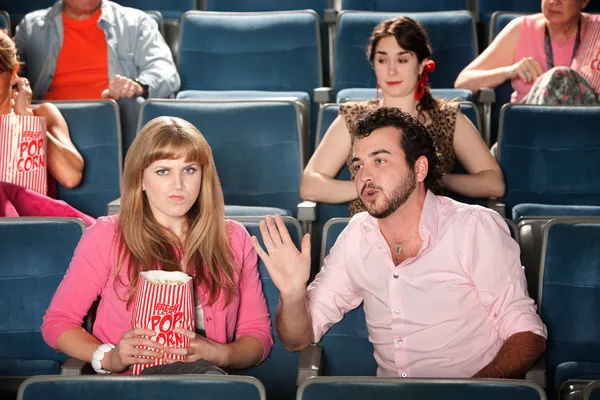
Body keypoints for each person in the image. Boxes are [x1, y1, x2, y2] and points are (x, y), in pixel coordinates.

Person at [255, 107, 546, 379]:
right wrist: (293, 295)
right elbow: (297, 340)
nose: (364, 177)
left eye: (380, 161)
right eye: (358, 166)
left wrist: (469, 394)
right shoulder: (356, 237)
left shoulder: (474, 228)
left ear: (419, 169)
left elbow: (527, 335)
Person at [41, 117, 272, 374]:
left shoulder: (234, 238)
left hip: (206, 384)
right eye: (163, 171)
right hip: (130, 387)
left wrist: (221, 353)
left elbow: (258, 336)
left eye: (189, 169)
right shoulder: (106, 236)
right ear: (139, 179)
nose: (179, 184)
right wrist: (108, 357)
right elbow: (58, 323)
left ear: (203, 176)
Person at [301, 17, 504, 216]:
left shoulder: (448, 117)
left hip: (433, 233)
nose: (391, 70)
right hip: (369, 233)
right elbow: (310, 184)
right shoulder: (353, 117)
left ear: (422, 64)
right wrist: (373, 186)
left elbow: (493, 184)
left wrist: (437, 179)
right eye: (382, 60)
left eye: (402, 59)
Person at [14, 0, 181, 151]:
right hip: (48, 123)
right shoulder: (31, 27)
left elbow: (165, 70)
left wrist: (139, 85)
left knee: (133, 105)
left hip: (112, 121)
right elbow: (9, 73)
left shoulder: (135, 22)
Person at [455, 0, 600, 104]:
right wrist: (510, 71)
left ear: (584, 2)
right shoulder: (521, 29)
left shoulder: (597, 30)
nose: (553, 1)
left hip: (583, 133)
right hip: (529, 133)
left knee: (561, 75)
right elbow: (463, 82)